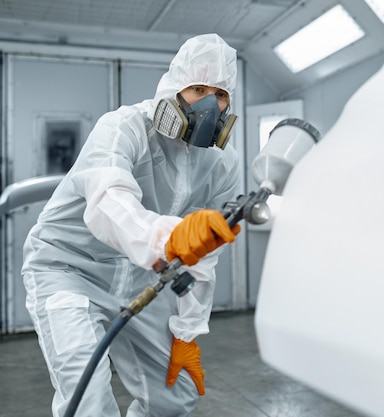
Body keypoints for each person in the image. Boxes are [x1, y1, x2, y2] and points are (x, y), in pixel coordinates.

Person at [22, 33, 241, 417]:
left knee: (175, 399)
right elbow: (109, 203)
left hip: (141, 280)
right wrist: (169, 236)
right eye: (198, 89)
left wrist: (188, 331)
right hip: (69, 271)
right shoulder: (124, 128)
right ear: (175, 89)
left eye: (220, 94)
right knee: (88, 401)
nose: (211, 104)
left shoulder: (223, 164)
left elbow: (206, 252)